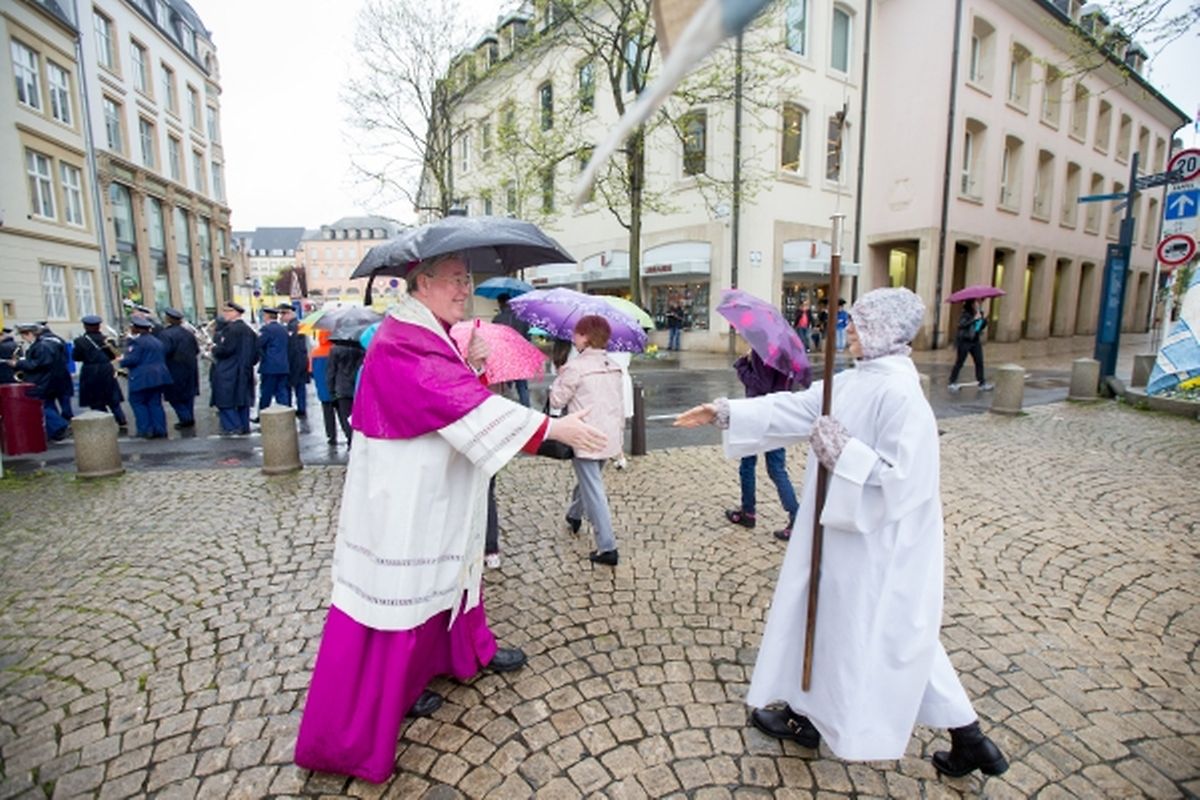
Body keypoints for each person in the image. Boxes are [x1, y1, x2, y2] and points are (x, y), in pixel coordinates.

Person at [294, 252, 604, 784]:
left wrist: (473, 365)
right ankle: (360, 728)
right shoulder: (404, 339)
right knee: (397, 598)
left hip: (427, 488)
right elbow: (451, 401)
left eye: (468, 280)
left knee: (441, 581)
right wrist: (553, 429)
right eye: (456, 280)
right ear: (422, 284)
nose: (465, 289)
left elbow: (451, 395)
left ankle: (438, 665)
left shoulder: (426, 331)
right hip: (404, 494)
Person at [675, 287, 1009, 779]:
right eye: (851, 321)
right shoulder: (854, 379)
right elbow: (797, 409)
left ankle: (823, 720)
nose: (847, 329)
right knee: (875, 627)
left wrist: (846, 452)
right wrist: (727, 411)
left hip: (874, 541)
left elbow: (905, 479)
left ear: (886, 331)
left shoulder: (901, 394)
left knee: (884, 631)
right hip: (838, 532)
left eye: (859, 323)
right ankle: (962, 737)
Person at [550, 315, 626, 567]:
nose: (573, 337)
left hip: (584, 436)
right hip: (608, 436)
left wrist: (560, 377)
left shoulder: (575, 368)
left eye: (577, 333)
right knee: (589, 481)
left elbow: (556, 400)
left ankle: (607, 546)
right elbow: (619, 405)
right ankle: (574, 515)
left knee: (594, 489)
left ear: (586, 337)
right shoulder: (614, 365)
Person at [723, 350, 804, 540]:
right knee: (776, 469)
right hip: (778, 411)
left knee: (748, 464)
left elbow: (761, 384)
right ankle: (796, 516)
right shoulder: (785, 351)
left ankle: (748, 512)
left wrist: (743, 365)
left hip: (759, 413)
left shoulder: (764, 352)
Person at [11, 323, 73, 441]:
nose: (23, 338)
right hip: (50, 379)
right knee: (48, 404)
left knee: (41, 405)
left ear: (29, 334)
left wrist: (18, 363)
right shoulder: (48, 343)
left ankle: (60, 425)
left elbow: (38, 364)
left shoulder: (41, 346)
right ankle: (55, 432)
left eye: (23, 335)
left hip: (42, 380)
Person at [120, 315, 172, 439]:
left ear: (136, 328)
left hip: (141, 377)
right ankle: (160, 429)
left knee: (138, 403)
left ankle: (145, 430)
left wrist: (122, 360)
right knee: (155, 404)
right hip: (159, 377)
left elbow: (133, 360)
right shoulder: (157, 341)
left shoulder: (136, 342)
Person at [210, 301, 258, 435]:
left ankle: (234, 427)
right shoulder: (249, 330)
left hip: (228, 370)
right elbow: (256, 353)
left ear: (236, 313)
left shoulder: (230, 330)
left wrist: (214, 348)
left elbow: (225, 350)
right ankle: (244, 426)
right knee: (243, 401)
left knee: (224, 401)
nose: (225, 314)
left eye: (228, 311)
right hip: (245, 370)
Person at [73, 315, 127, 431]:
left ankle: (104, 421)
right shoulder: (107, 340)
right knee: (112, 398)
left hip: (90, 370)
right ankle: (121, 420)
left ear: (85, 326)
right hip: (106, 369)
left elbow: (76, 357)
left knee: (95, 399)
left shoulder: (80, 341)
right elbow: (114, 355)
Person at [159, 308, 200, 429]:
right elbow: (196, 350)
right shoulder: (188, 333)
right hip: (190, 368)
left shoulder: (165, 334)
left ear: (168, 319)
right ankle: (189, 416)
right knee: (188, 395)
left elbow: (164, 351)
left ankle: (185, 418)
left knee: (174, 396)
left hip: (173, 368)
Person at [492, 293, 532, 406]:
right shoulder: (522, 318)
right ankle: (527, 410)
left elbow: (493, 341)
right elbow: (528, 339)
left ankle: (508, 410)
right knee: (522, 387)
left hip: (504, 358)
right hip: (520, 357)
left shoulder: (497, 319)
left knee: (506, 389)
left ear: (500, 303)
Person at [948, 299, 993, 392]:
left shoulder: (979, 313)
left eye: (979, 303)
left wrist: (984, 321)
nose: (978, 304)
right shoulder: (965, 314)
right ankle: (952, 382)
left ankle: (982, 383)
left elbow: (978, 328)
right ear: (972, 304)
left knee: (979, 362)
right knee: (960, 362)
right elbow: (962, 324)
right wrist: (974, 319)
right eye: (976, 303)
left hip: (975, 341)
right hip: (965, 341)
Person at [326, 336, 364, 445]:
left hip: (341, 388)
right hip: (357, 387)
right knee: (358, 416)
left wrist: (331, 390)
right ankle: (357, 440)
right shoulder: (361, 349)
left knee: (345, 418)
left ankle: (350, 439)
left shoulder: (335, 350)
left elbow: (331, 371)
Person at [255, 306, 290, 416]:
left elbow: (258, 343)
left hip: (270, 366)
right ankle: (285, 415)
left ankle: (263, 415)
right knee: (281, 391)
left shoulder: (266, 329)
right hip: (283, 365)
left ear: (267, 316)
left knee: (266, 392)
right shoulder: (283, 329)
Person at [281, 304, 311, 417]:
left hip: (294, 361)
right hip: (301, 359)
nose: (281, 317)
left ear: (289, 313)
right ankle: (301, 407)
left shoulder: (292, 326)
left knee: (291, 386)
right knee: (300, 386)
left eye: (283, 314)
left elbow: (292, 347)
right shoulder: (300, 324)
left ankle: (292, 408)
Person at [310, 329, 338, 445]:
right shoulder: (335, 350)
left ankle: (331, 436)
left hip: (323, 389)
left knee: (327, 413)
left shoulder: (315, 352)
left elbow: (311, 371)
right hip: (336, 387)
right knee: (342, 412)